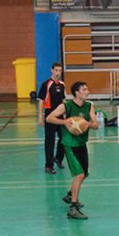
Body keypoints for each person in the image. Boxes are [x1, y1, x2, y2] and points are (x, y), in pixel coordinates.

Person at [46, 82, 98, 220]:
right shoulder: (66, 106)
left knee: (85, 173)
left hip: (82, 143)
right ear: (77, 92)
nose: (87, 91)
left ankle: (70, 195)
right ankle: (73, 208)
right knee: (79, 175)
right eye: (84, 89)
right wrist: (65, 122)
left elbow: (96, 125)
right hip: (69, 144)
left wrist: (88, 124)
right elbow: (49, 118)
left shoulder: (89, 106)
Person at [37, 63, 67, 174]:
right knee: (49, 141)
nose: (58, 73)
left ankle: (58, 159)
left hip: (60, 115)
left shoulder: (62, 84)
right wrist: (41, 117)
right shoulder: (46, 84)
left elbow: (64, 100)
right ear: (52, 70)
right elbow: (41, 100)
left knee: (64, 138)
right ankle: (49, 166)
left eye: (60, 70)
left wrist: (66, 116)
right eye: (56, 70)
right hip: (50, 115)